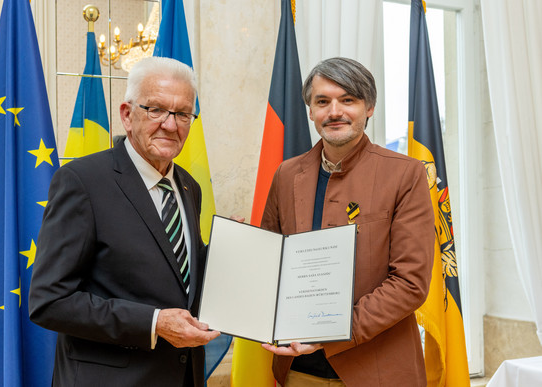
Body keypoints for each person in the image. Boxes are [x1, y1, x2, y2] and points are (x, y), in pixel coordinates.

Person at [29, 56, 219, 387]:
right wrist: (154, 323)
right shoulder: (82, 182)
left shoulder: (189, 187)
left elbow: (176, 277)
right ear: (127, 115)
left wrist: (227, 253)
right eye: (156, 110)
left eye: (183, 114)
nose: (171, 125)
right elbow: (50, 301)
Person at [260, 57, 434, 386]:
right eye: (322, 101)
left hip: (378, 371)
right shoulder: (286, 175)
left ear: (369, 108)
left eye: (348, 100)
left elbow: (410, 283)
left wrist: (331, 331)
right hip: (298, 370)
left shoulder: (405, 174)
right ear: (310, 110)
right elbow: (270, 262)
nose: (334, 111)